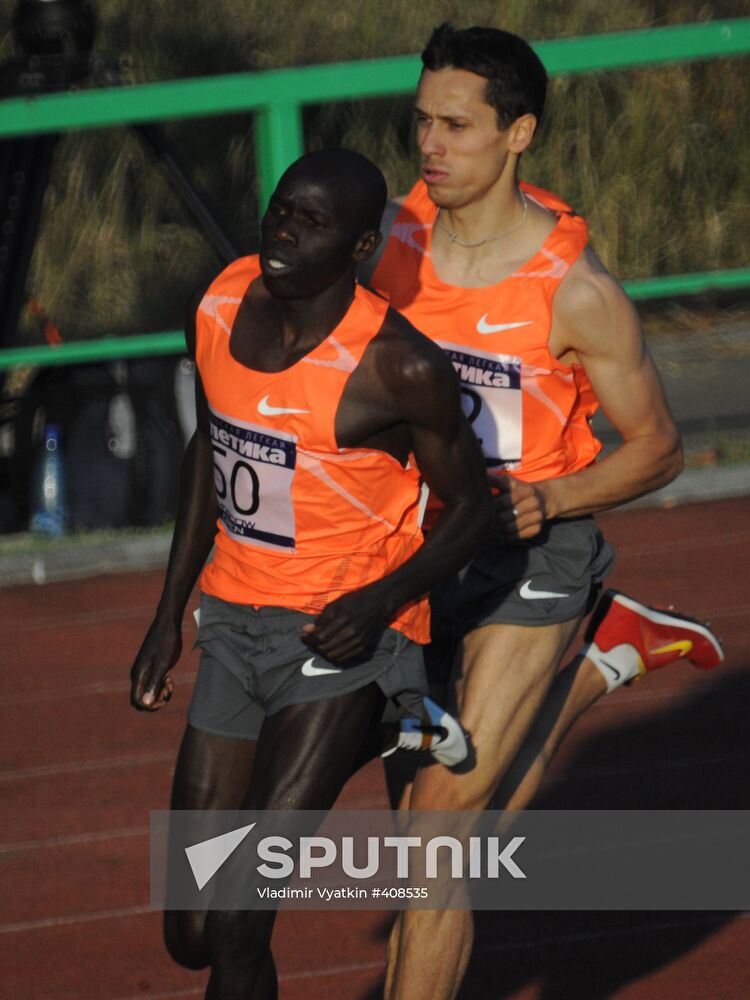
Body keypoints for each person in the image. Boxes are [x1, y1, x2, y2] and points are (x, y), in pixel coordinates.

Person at [367, 24, 725, 1000]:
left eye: (457, 125)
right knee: (431, 837)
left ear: (518, 133)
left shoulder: (577, 291)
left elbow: (658, 447)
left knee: (438, 840)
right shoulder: (393, 240)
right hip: (422, 554)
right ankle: (605, 662)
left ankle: (589, 641)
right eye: (421, 122)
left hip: (535, 554)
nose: (431, 145)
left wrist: (548, 497)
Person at [129, 147, 492, 999]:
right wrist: (166, 615)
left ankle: (380, 700)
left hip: (344, 638)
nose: (285, 231)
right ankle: (384, 725)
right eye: (282, 210)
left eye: (313, 221)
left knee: (239, 920)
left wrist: (383, 599)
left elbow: (473, 508)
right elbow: (210, 448)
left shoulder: (399, 365)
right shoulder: (218, 302)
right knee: (189, 931)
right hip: (232, 628)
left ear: (362, 245)